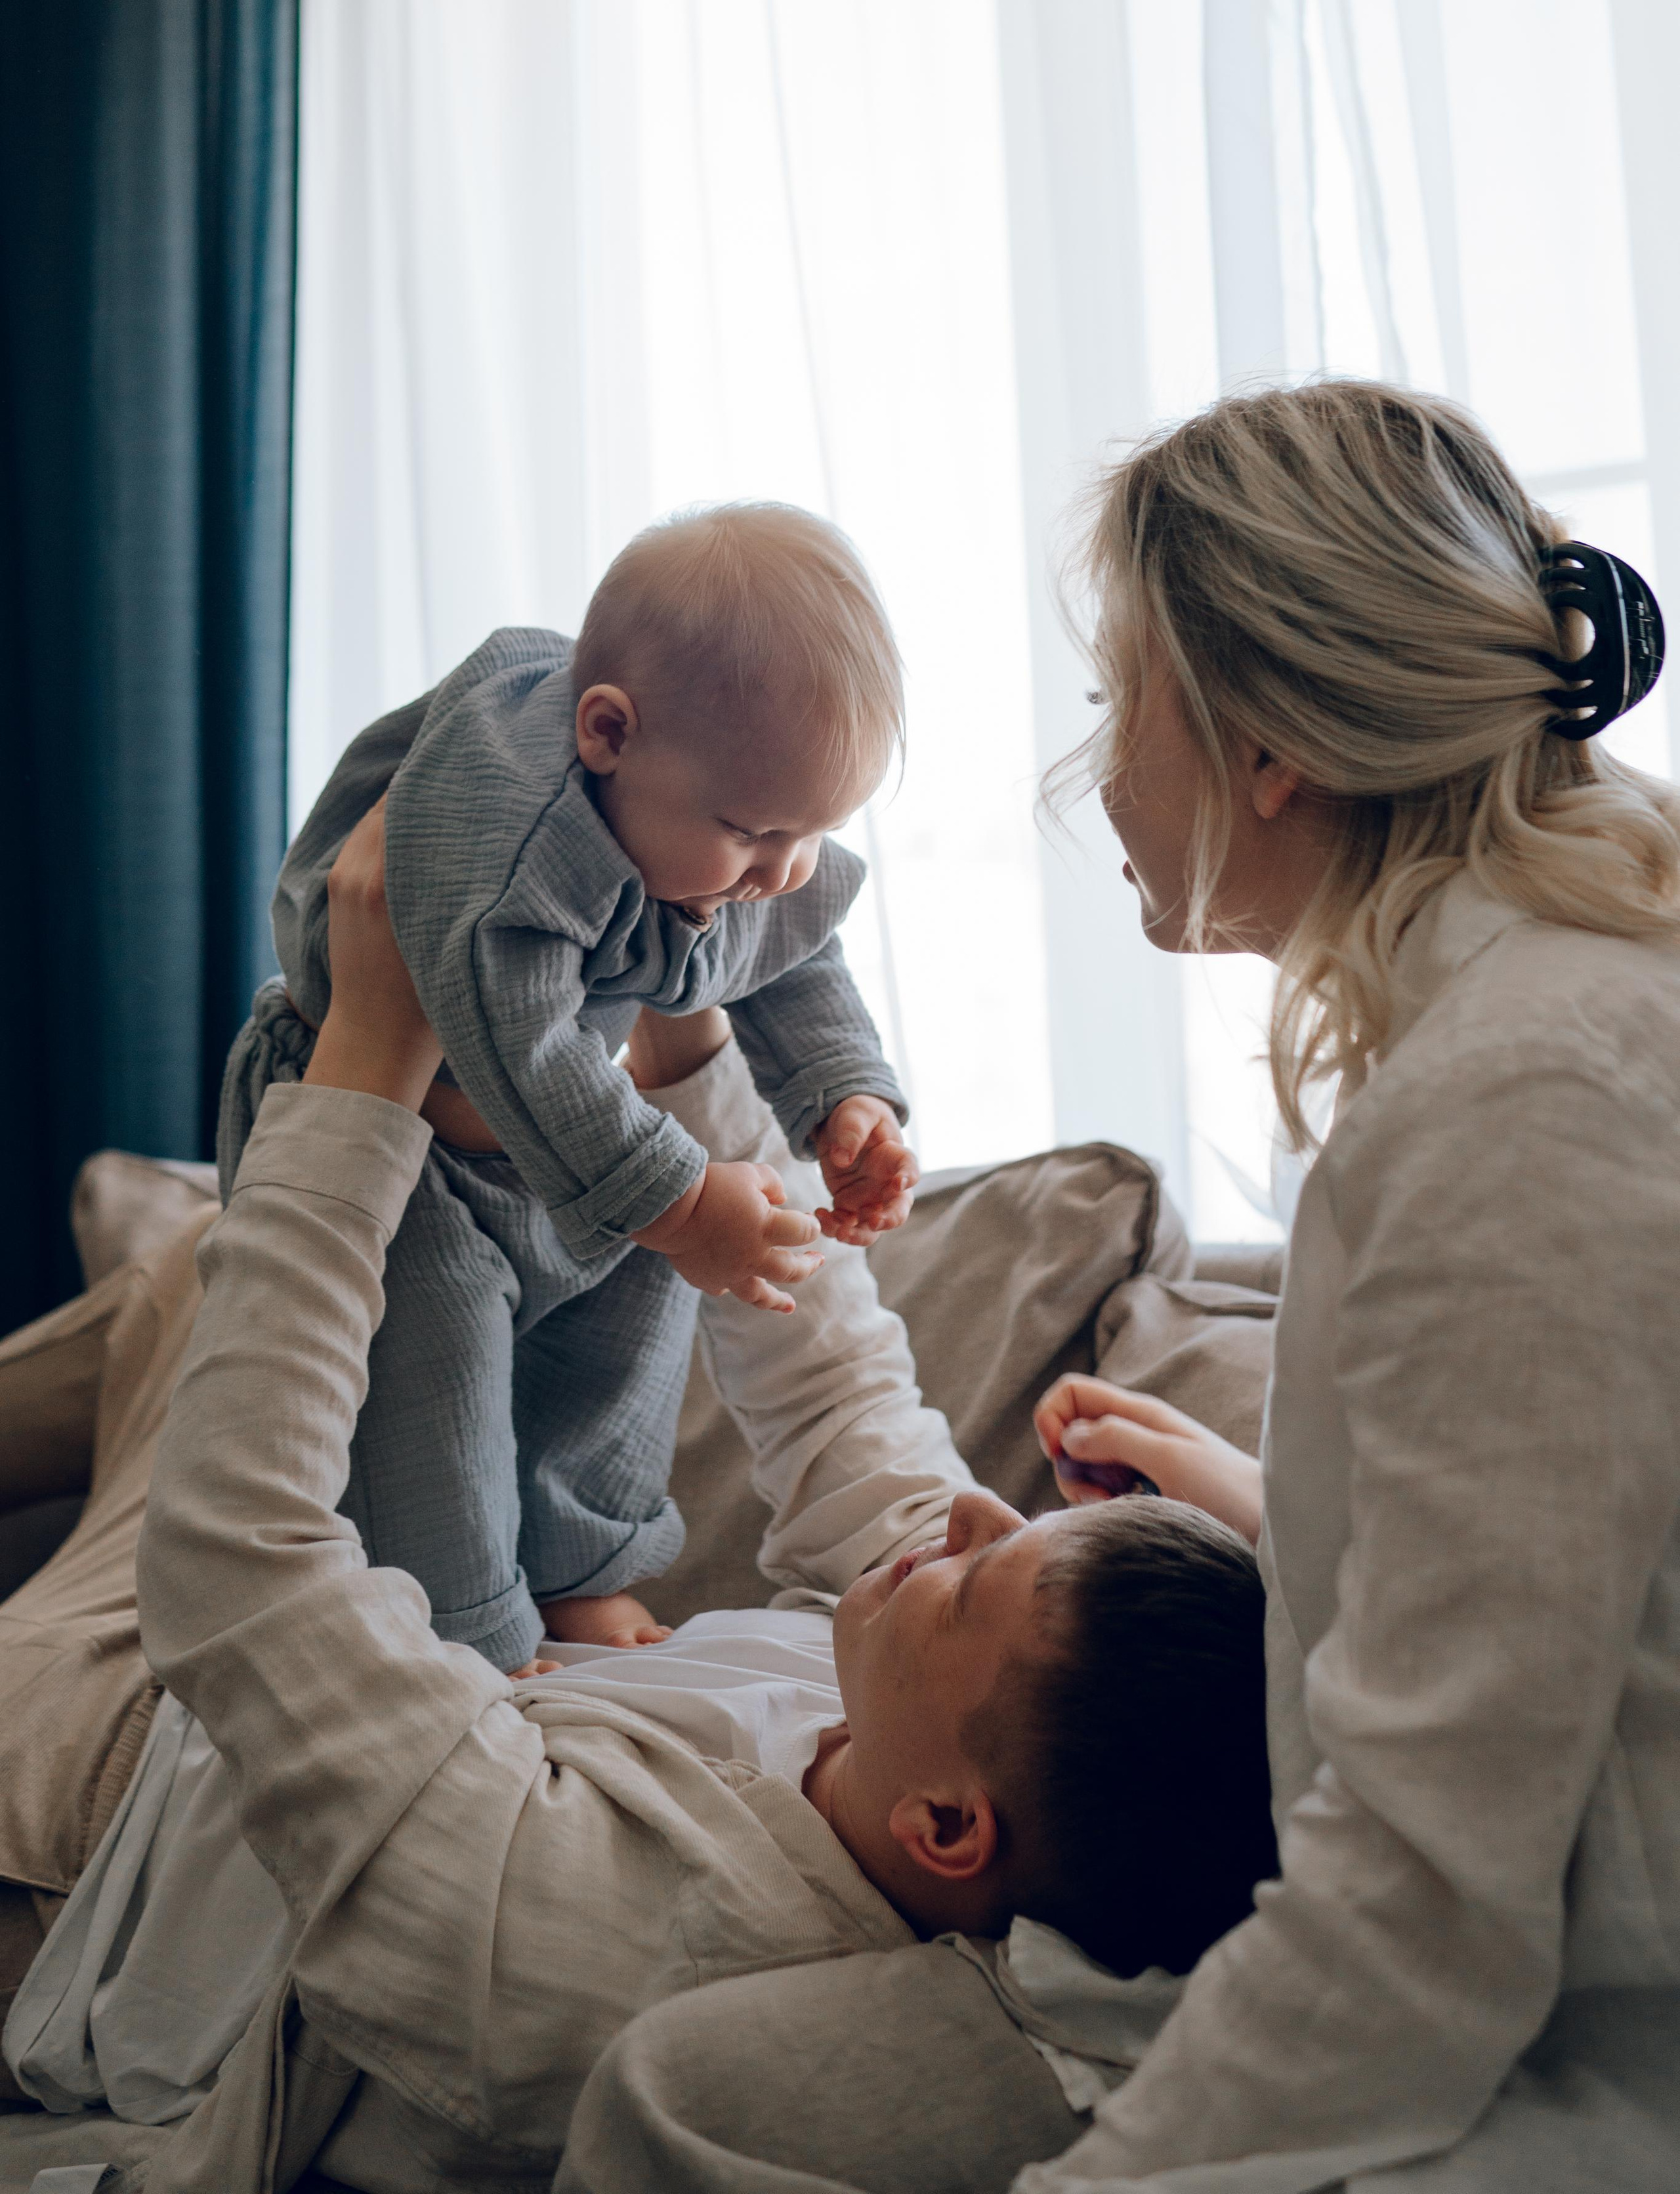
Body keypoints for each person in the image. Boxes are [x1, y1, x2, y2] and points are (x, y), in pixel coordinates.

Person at [564, 379, 1680, 2194]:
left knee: (666, 2109)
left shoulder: (1523, 1105)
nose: (1090, 775)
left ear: (1265, 750)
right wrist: (1273, 1511)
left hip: (1555, 2096)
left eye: (1117, 699)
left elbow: (1425, 1919)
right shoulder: (1537, 1043)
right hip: (1428, 1995)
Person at [0, 806, 1275, 2192]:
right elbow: (845, 1403)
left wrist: (363, 1065)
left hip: (104, 1805)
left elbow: (246, 1571)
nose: (972, 1519)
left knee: (240, 1274)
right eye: (1026, 1523)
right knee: (210, 1274)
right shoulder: (906, 1729)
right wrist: (690, 1014)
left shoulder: (601, 1929)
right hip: (252, 1649)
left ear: (951, 1830)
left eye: (983, 1575)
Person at [219, 502, 919, 1668]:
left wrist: (846, 1098)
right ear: (607, 733)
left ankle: (578, 1571)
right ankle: (469, 1629)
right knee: (433, 1384)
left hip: (555, 1141)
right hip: (398, 1143)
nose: (783, 868)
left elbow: (792, 942)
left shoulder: (709, 815)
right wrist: (689, 1206)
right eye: (758, 832)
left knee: (634, 1320)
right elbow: (518, 1041)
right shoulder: (503, 827)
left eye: (815, 832)